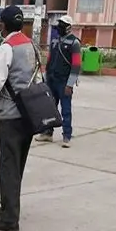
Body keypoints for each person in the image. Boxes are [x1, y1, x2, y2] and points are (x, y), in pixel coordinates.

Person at [0, 5, 40, 231]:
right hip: (30, 112)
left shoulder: (7, 47)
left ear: (3, 25)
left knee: (8, 164)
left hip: (11, 113)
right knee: (18, 163)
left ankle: (9, 220)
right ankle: (9, 205)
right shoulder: (30, 44)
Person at [35, 14, 81, 147]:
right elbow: (50, 59)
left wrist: (70, 84)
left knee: (65, 109)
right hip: (52, 79)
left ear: (68, 27)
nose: (59, 28)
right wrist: (45, 75)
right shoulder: (55, 40)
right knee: (50, 108)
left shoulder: (74, 42)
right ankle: (47, 133)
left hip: (64, 82)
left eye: (62, 25)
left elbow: (76, 65)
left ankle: (67, 136)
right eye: (58, 25)